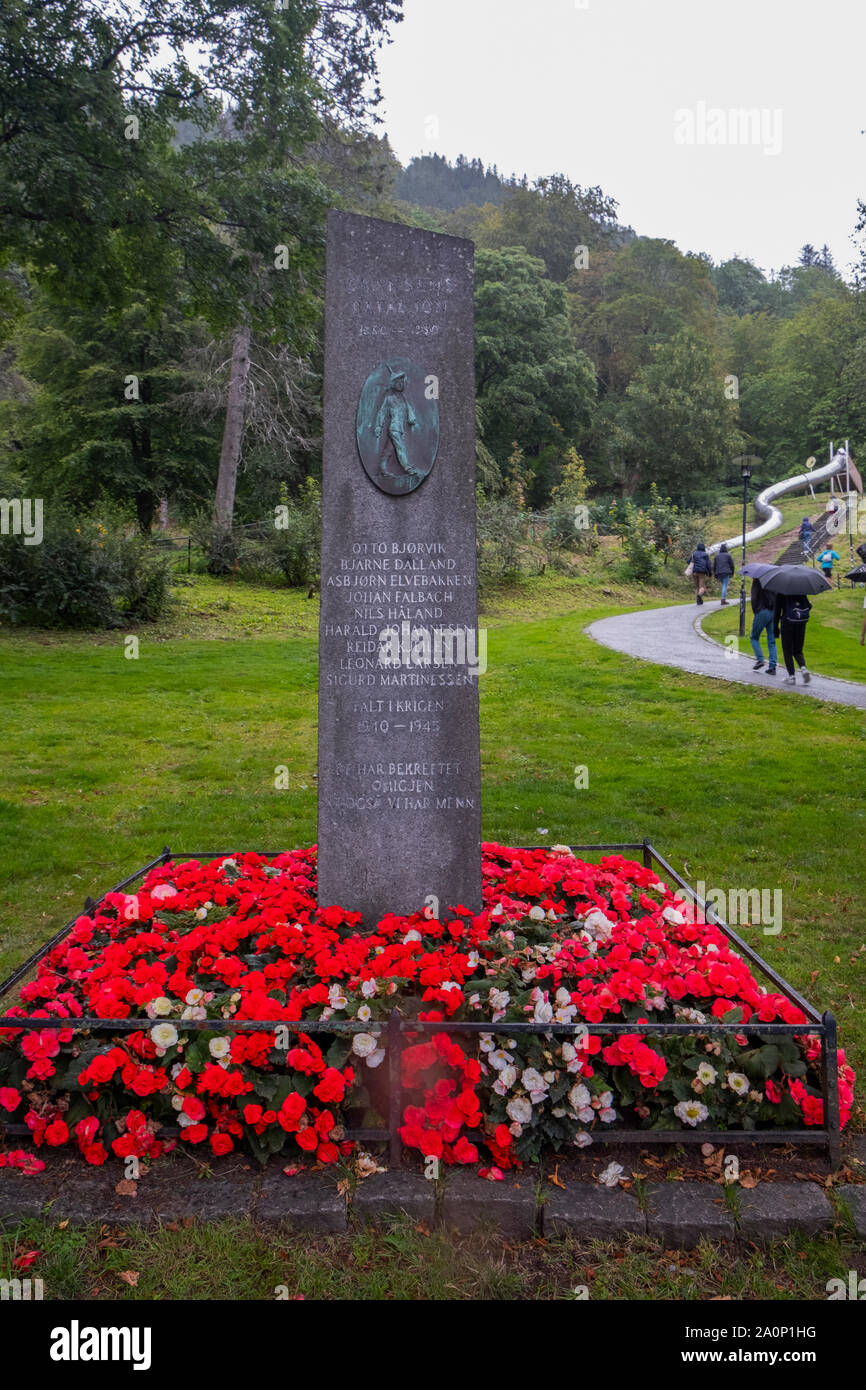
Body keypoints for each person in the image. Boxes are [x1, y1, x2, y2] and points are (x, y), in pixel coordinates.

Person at [773, 590, 812, 685]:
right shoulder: (801, 590)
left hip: (787, 622)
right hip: (801, 623)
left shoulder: (782, 591)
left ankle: (792, 677)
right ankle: (803, 668)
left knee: (787, 650)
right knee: (798, 650)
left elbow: (777, 610)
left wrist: (775, 627)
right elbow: (809, 606)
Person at [749, 579, 777, 675]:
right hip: (773, 612)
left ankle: (760, 659)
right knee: (772, 641)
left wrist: (756, 610)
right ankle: (772, 667)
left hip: (762, 611)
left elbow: (754, 597)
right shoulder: (774, 580)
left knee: (754, 637)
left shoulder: (757, 580)